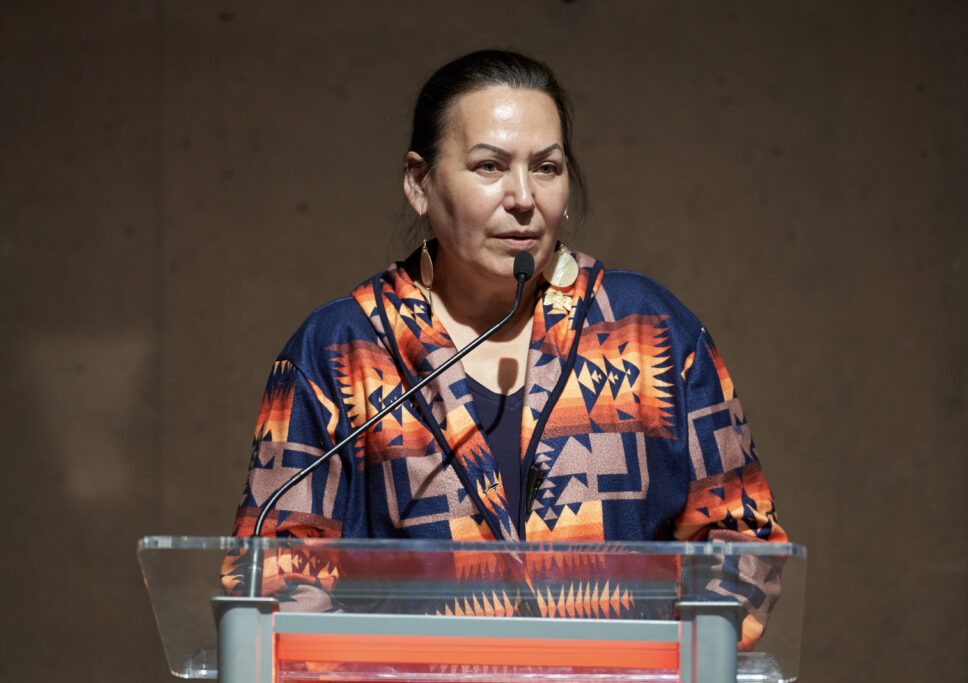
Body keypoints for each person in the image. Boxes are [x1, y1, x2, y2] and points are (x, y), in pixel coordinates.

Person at [226, 49, 787, 647]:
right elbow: (275, 576)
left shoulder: (647, 331)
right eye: (490, 167)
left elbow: (742, 538)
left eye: (546, 168)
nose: (523, 197)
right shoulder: (343, 349)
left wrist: (651, 662)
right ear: (420, 183)